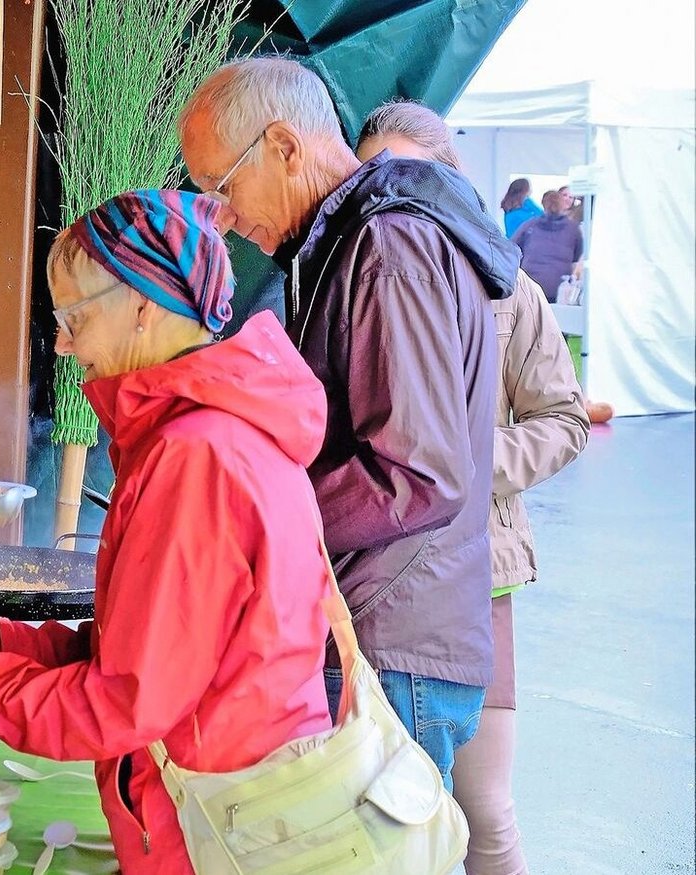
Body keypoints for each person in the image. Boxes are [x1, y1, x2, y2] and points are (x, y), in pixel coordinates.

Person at [0, 190, 335, 875]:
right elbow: (154, 654)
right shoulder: (221, 429)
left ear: (143, 306)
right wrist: (6, 641)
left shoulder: (195, 456)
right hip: (233, 808)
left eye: (74, 318)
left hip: (214, 833)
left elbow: (123, 703)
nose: (64, 344)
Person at [179, 58, 519, 788]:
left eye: (221, 185)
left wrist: (262, 520)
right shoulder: (346, 243)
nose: (224, 216)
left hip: (389, 640)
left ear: (284, 146)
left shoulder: (388, 244)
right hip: (387, 630)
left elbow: (418, 474)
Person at [359, 98, 591, 875]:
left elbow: (565, 418)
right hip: (373, 582)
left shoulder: (507, 287)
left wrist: (457, 464)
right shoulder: (351, 280)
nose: (393, 192)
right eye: (374, 175)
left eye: (411, 173)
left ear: (451, 177)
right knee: (378, 807)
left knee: (484, 812)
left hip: (478, 575)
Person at [512, 190, 585, 303]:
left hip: (530, 284)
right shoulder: (573, 229)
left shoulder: (530, 224)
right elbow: (578, 256)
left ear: (543, 204)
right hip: (558, 286)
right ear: (562, 205)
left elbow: (512, 247)